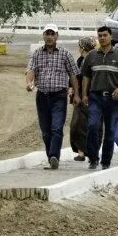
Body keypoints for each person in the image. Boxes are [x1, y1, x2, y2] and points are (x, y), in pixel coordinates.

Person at [25, 23, 79, 170]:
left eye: (52, 34)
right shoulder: (37, 53)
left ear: (57, 36)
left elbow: (73, 75)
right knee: (45, 131)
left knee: (56, 128)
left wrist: (77, 94)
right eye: (47, 34)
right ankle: (51, 157)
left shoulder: (65, 54)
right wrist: (30, 83)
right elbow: (30, 70)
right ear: (43, 36)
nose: (49, 37)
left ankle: (54, 156)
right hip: (42, 96)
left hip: (59, 96)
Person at [80, 25, 118, 169]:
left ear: (111, 37)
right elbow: (85, 77)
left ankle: (105, 161)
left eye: (105, 35)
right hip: (95, 97)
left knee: (110, 131)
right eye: (100, 35)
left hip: (112, 99)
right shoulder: (91, 55)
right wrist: (84, 94)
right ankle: (93, 158)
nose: (102, 38)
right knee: (92, 126)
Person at [69, 36, 94, 161]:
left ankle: (85, 153)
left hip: (87, 97)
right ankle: (83, 152)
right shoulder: (81, 60)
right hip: (83, 97)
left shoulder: (88, 61)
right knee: (81, 125)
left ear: (83, 47)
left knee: (80, 125)